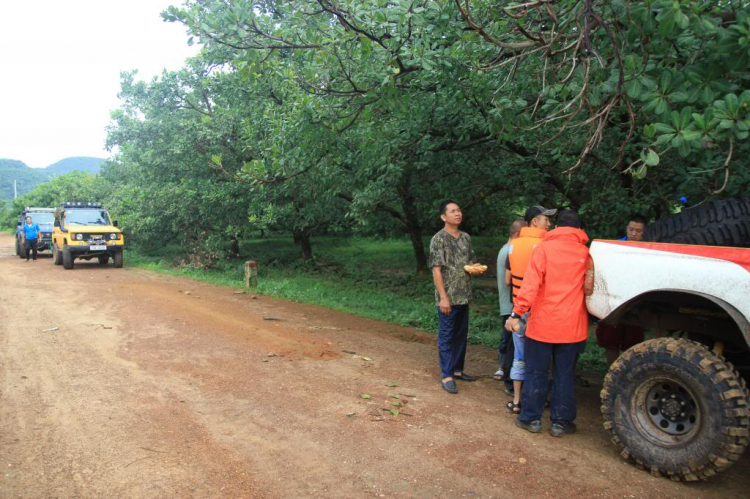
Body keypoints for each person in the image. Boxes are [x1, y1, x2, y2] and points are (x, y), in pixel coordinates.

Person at [506, 210, 594, 436]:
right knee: (564, 375)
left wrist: (516, 314)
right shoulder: (585, 253)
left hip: (543, 325)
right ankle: (561, 423)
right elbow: (589, 288)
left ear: (557, 227)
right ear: (579, 230)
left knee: (536, 372)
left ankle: (531, 419)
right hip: (572, 328)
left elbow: (530, 286)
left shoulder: (543, 249)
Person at [429, 200, 486, 394]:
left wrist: (475, 268)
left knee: (461, 335)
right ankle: (447, 375)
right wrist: (443, 297)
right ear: (444, 217)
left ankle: (458, 370)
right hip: (449, 296)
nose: (458, 214)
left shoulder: (465, 238)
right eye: (453, 211)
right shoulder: (439, 239)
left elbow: (470, 261)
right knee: (447, 335)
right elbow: (436, 270)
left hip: (464, 295)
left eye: (459, 210)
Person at [503, 206, 555, 413]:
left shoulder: (513, 245)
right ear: (535, 221)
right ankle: (539, 399)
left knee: (519, 355)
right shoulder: (546, 245)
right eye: (546, 220)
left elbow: (508, 280)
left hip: (519, 309)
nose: (549, 224)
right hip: (540, 310)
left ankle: (516, 401)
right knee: (542, 357)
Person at [596, 214, 648, 365]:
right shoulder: (614, 247)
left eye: (638, 231)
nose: (633, 234)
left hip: (635, 303)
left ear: (643, 232)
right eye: (631, 229)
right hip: (614, 301)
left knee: (632, 343)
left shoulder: (648, 250)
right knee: (610, 341)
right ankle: (613, 372)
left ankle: (628, 374)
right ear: (626, 228)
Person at [494, 218, 527, 390]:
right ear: (517, 234)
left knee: (508, 340)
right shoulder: (510, 251)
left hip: (508, 303)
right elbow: (509, 281)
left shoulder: (506, 249)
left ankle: (504, 370)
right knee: (509, 342)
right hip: (511, 304)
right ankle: (506, 375)